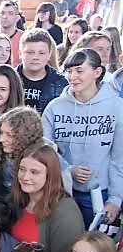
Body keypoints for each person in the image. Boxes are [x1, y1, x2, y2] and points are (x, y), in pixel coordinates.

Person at [44, 48, 123, 227]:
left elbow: (120, 158)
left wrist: (115, 198)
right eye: (69, 71)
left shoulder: (117, 107)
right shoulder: (54, 107)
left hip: (99, 194)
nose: (73, 76)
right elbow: (46, 147)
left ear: (97, 72)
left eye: (79, 71)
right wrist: (68, 169)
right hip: (61, 191)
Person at [9, 140, 84, 252]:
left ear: (50, 175)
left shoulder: (65, 211)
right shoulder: (16, 201)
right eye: (22, 169)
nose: (25, 177)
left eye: (34, 172)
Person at [15, 27, 69, 114]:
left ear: (49, 55)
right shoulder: (8, 78)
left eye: (41, 53)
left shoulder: (61, 83)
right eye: (30, 52)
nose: (35, 57)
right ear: (20, 53)